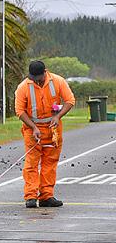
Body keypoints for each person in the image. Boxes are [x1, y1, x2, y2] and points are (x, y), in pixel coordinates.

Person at [14, 59, 75, 208]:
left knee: (50, 163)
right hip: (32, 130)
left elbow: (70, 100)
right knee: (31, 164)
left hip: (53, 129)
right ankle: (31, 196)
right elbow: (20, 111)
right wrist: (33, 127)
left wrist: (57, 116)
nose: (35, 80)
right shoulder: (23, 87)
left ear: (45, 72)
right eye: (32, 77)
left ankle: (46, 196)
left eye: (38, 77)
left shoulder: (58, 81)